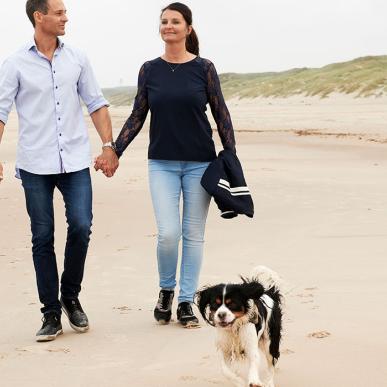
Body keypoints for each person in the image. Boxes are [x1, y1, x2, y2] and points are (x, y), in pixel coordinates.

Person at [95, 2, 236, 328]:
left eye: (175, 21)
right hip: (162, 164)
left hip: (201, 163)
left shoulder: (204, 68)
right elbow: (137, 115)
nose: (168, 26)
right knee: (169, 234)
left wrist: (230, 155)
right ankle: (166, 290)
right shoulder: (150, 69)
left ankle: (187, 301)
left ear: (188, 28)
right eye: (164, 21)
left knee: (193, 234)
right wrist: (114, 150)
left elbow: (221, 114)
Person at [0, 0, 118, 341]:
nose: (66, 17)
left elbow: (95, 103)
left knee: (81, 226)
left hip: (76, 160)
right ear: (40, 17)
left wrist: (109, 147)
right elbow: (1, 112)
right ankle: (50, 312)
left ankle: (70, 295)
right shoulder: (15, 63)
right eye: (59, 12)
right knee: (42, 237)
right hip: (36, 163)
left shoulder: (77, 58)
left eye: (65, 12)